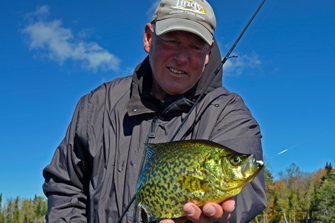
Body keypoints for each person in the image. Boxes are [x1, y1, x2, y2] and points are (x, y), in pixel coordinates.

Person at [42, 0, 267, 222]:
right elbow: (64, 186)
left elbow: (246, 194)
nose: (181, 58)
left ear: (208, 52)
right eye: (172, 40)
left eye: (195, 46)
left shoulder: (229, 113)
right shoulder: (96, 105)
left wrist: (223, 215)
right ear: (149, 38)